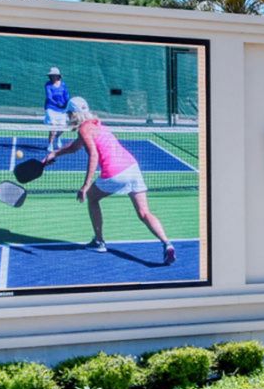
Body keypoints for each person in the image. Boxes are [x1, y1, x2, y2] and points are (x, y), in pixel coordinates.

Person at [44, 97, 176, 265]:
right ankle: (167, 244)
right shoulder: (97, 125)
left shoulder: (84, 129)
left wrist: (85, 185)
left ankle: (99, 241)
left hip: (115, 172)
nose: (69, 117)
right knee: (144, 213)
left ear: (74, 114)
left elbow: (93, 155)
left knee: (92, 197)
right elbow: (74, 147)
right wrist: (55, 153)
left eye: (69, 114)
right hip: (132, 168)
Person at [43, 66, 71, 153]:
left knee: (62, 128)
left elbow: (67, 95)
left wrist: (66, 104)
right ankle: (50, 144)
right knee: (53, 128)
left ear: (57, 76)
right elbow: (49, 97)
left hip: (62, 109)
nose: (51, 76)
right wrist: (57, 104)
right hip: (51, 108)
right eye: (51, 75)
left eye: (53, 75)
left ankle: (58, 137)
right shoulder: (48, 85)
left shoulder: (63, 85)